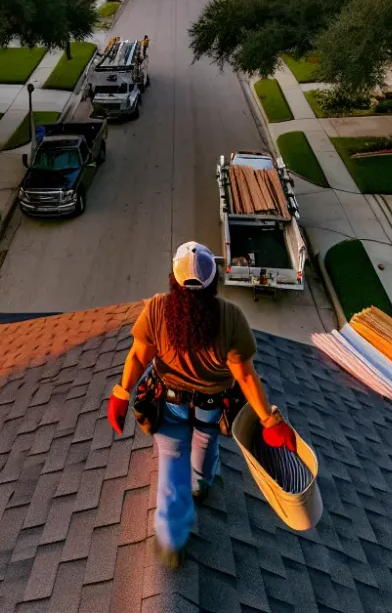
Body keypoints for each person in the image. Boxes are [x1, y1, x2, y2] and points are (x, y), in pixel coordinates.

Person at [107, 241, 297, 567]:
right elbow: (247, 377)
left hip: (169, 399)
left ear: (174, 282)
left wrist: (122, 393)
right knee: (205, 440)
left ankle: (170, 537)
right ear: (212, 284)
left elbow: (139, 356)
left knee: (170, 456)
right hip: (210, 400)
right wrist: (269, 420)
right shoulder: (230, 318)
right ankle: (199, 485)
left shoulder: (156, 310)